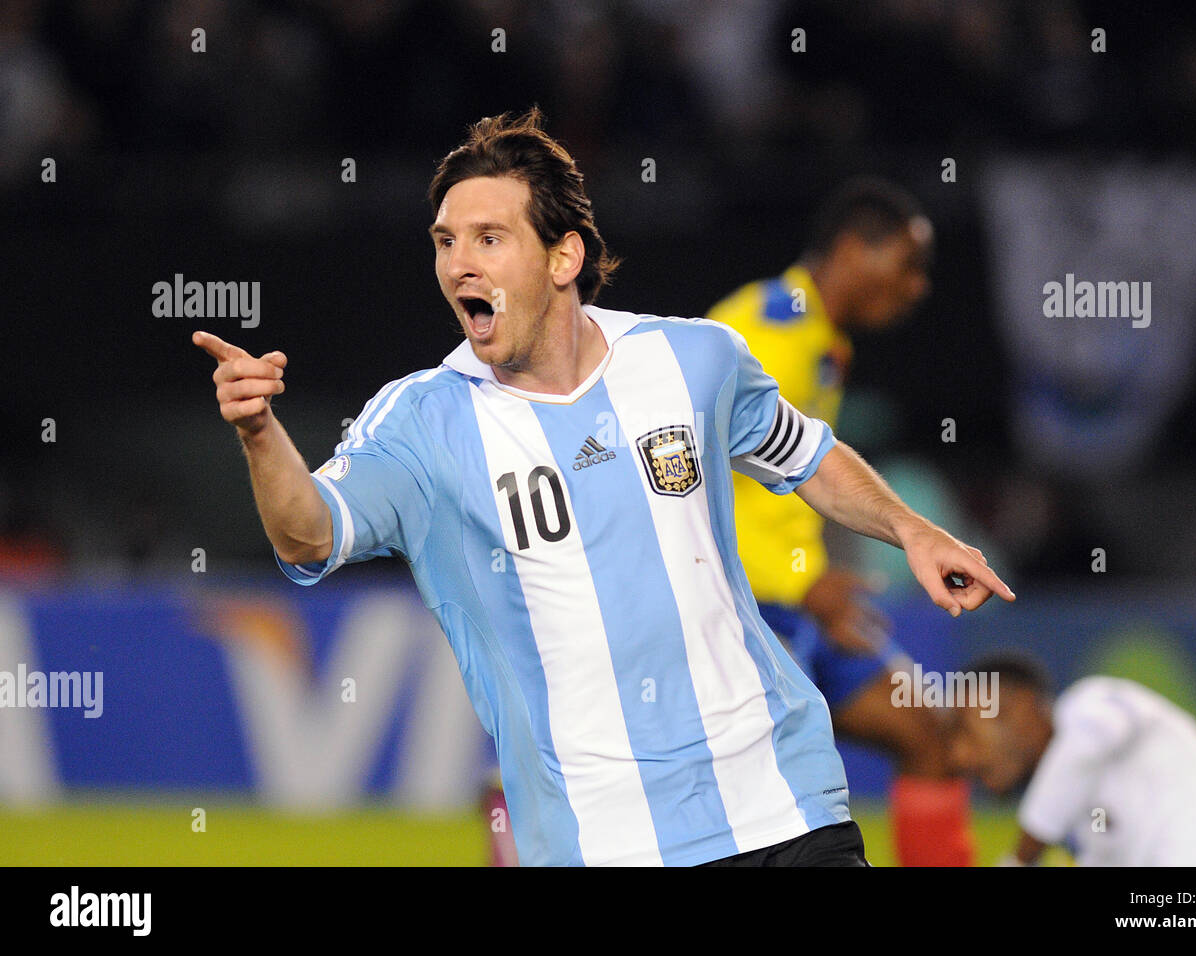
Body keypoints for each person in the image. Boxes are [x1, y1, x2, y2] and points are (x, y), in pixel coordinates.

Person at [193, 108, 1014, 867]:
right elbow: (309, 534)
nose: (458, 264)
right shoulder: (420, 423)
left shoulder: (693, 359)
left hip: (782, 802)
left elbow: (805, 455)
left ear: (563, 256)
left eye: (487, 238)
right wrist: (260, 434)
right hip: (600, 839)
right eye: (446, 241)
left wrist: (913, 530)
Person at [707, 178, 977, 866]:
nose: (917, 287)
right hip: (744, 607)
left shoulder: (816, 335)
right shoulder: (766, 331)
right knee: (773, 807)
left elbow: (777, 484)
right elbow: (686, 479)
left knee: (928, 734)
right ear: (856, 249)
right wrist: (797, 582)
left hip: (802, 597)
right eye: (908, 264)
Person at [949, 650, 1196, 866]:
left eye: (964, 729)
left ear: (1022, 707)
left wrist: (1020, 859)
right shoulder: (1081, 830)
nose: (960, 756)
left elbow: (1087, 746)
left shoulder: (1089, 701)